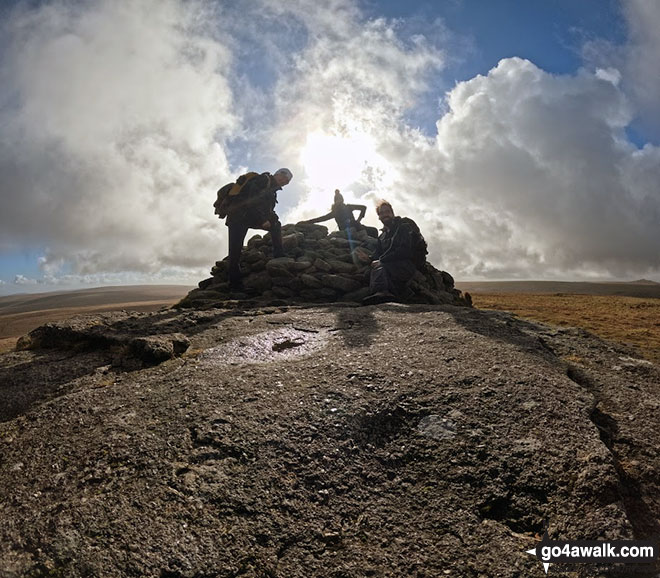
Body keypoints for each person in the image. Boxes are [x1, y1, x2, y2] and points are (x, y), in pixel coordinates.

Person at [225, 168, 293, 291]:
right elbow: (251, 200)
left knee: (276, 226)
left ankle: (279, 254)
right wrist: (262, 220)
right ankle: (234, 284)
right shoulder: (262, 180)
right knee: (235, 250)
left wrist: (273, 219)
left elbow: (268, 210)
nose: (284, 182)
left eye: (287, 182)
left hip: (249, 217)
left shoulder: (272, 190)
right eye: (283, 178)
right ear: (277, 174)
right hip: (237, 218)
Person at [362, 200, 420, 305]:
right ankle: (402, 293)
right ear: (379, 217)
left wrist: (381, 261)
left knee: (380, 268)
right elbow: (378, 253)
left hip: (406, 265)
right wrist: (369, 259)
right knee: (367, 272)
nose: (385, 215)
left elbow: (404, 251)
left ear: (392, 213)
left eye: (387, 212)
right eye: (381, 213)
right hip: (392, 265)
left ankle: (382, 293)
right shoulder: (382, 236)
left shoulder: (403, 227)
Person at [301, 190, 378, 238]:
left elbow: (363, 208)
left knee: (374, 231)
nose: (339, 202)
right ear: (335, 201)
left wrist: (359, 220)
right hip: (345, 229)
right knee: (354, 224)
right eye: (338, 200)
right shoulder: (335, 212)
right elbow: (321, 218)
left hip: (356, 226)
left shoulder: (348, 207)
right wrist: (307, 222)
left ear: (342, 200)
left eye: (340, 200)